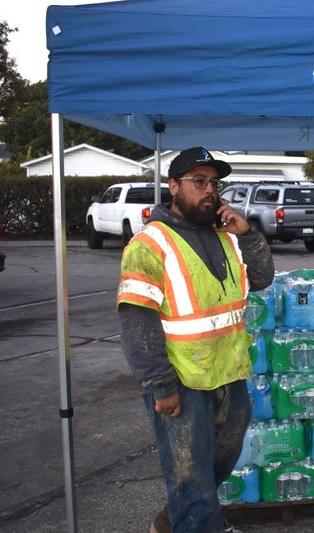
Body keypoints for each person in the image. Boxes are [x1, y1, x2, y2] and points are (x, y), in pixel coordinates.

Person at [117, 147, 274, 533]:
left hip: (228, 374)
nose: (210, 190)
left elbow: (264, 278)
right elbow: (138, 321)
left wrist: (248, 234)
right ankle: (199, 522)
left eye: (214, 183)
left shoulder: (224, 236)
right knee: (192, 478)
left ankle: (175, 520)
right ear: (173, 187)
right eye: (199, 181)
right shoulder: (149, 245)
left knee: (218, 463)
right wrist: (160, 385)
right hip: (181, 383)